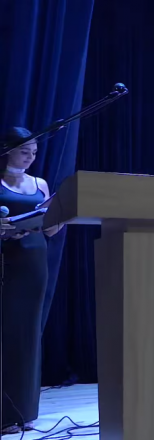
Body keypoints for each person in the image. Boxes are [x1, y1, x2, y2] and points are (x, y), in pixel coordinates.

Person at [1, 127, 63, 434]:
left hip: (35, 261)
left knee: (28, 333)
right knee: (6, 333)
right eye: (24, 151)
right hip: (6, 260)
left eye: (34, 153)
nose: (30, 157)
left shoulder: (40, 184)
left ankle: (24, 411)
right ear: (8, 150)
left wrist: (58, 216)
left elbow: (51, 229)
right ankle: (4, 414)